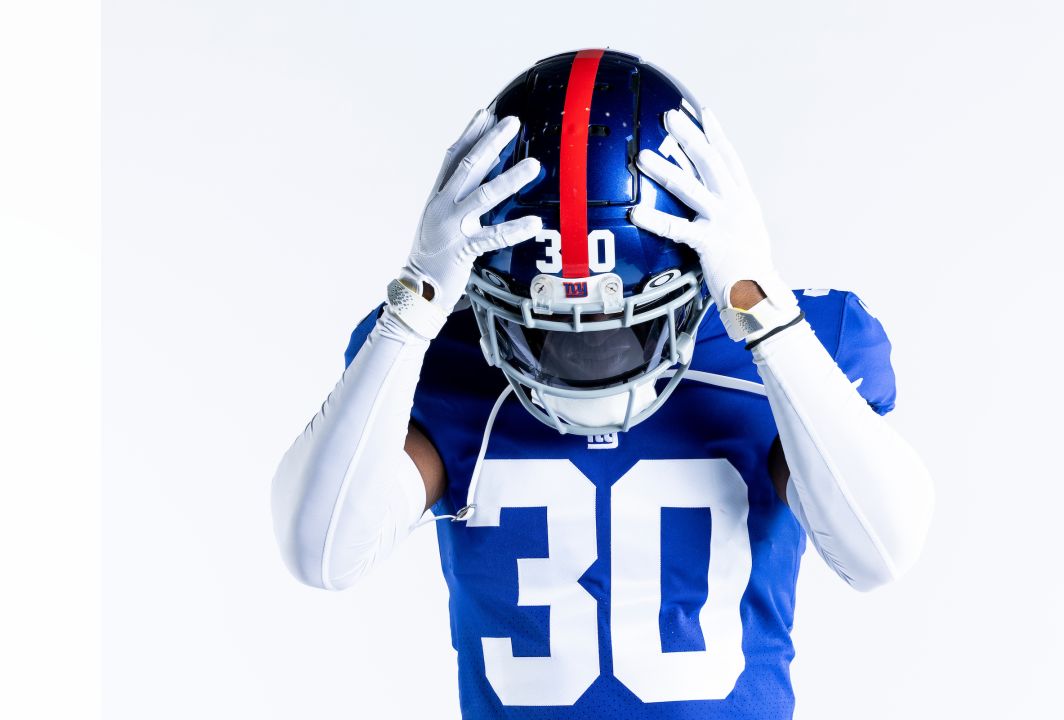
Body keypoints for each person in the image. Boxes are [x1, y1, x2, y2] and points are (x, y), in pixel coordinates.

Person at [272, 48, 935, 720]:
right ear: (486, 290)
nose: (583, 358)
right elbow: (321, 553)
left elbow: (880, 551)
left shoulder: (786, 349)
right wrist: (414, 306)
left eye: (622, 328)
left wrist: (762, 310)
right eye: (548, 329)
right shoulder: (440, 353)